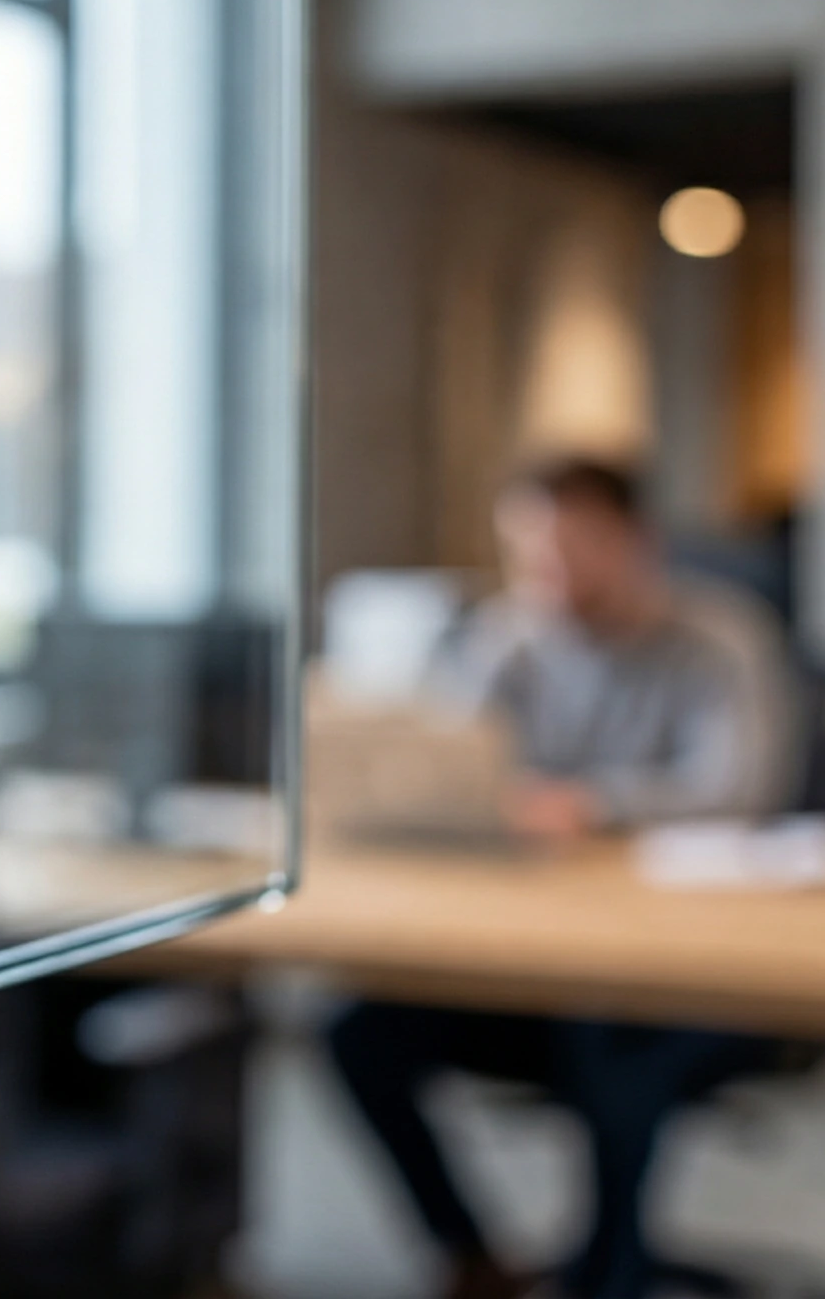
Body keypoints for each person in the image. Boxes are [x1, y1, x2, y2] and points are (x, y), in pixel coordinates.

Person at [325, 457, 793, 1299]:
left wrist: (591, 806)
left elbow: (736, 790)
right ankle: (472, 1255)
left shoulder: (721, 637)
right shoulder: (508, 639)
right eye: (531, 553)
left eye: (575, 548)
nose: (553, 574)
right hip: (536, 959)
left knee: (611, 1040)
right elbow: (445, 771)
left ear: (637, 544)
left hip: (688, 977)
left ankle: (602, 1278)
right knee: (356, 1029)